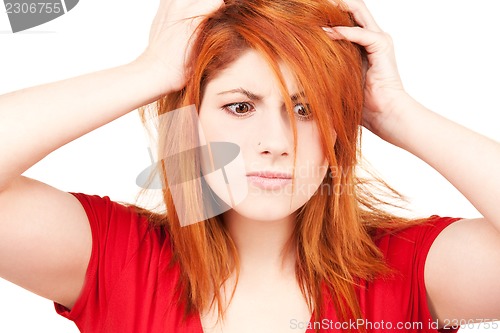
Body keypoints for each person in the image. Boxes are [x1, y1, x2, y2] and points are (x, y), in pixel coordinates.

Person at [0, 0, 499, 332]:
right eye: (240, 107)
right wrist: (151, 71)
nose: (275, 143)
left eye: (308, 110)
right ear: (189, 123)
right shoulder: (116, 259)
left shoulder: (407, 270)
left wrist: (396, 112)